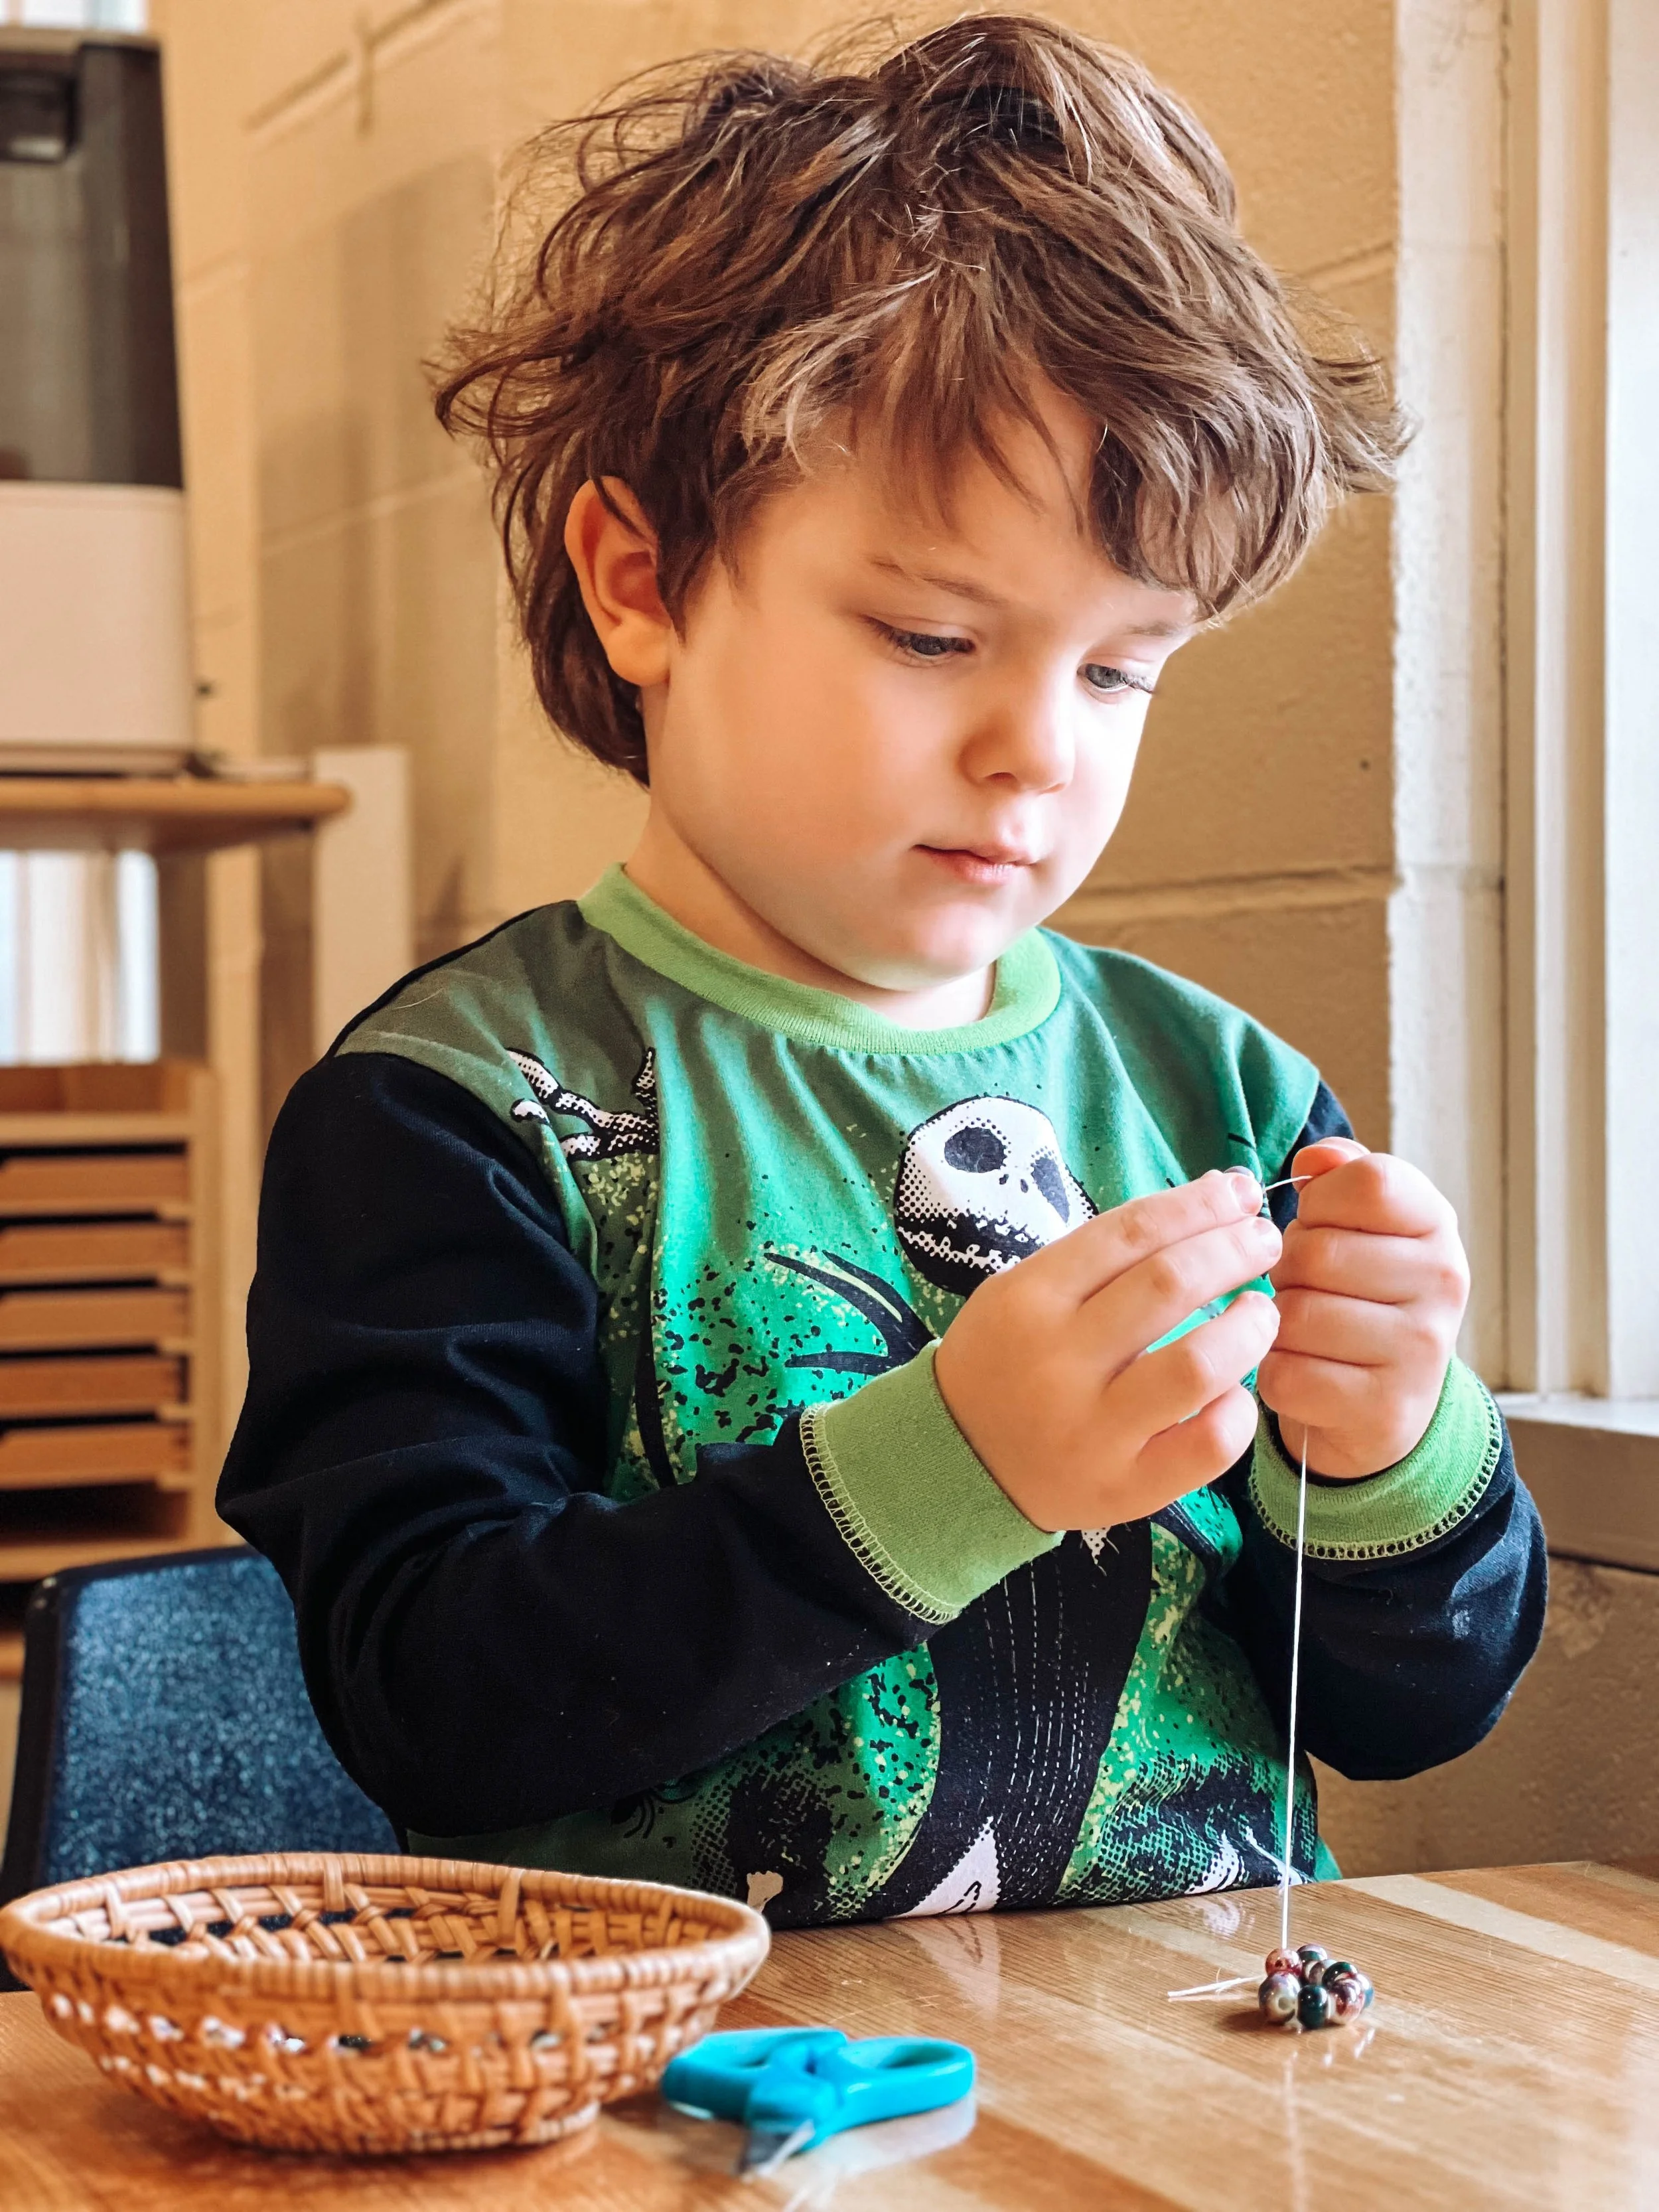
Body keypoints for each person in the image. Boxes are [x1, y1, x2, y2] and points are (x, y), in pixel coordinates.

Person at [219, 14, 1545, 1925]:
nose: (1040, 749)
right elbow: (433, 1698)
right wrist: (957, 1462)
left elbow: (1406, 1706)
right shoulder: (458, 1105)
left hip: (1175, 2097)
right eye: (933, 635)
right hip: (667, 2107)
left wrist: (1397, 1448)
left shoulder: (1222, 1099)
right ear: (641, 581)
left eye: (1117, 668)